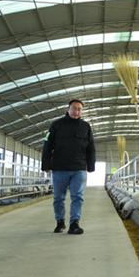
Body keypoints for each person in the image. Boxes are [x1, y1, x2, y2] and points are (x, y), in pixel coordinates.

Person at [42, 99, 96, 234]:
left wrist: (91, 166)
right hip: (60, 167)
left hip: (79, 167)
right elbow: (47, 145)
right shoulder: (56, 125)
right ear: (68, 109)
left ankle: (74, 223)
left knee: (77, 196)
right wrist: (46, 165)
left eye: (79, 109)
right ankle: (60, 221)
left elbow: (91, 147)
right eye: (74, 108)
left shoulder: (85, 127)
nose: (76, 111)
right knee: (59, 197)